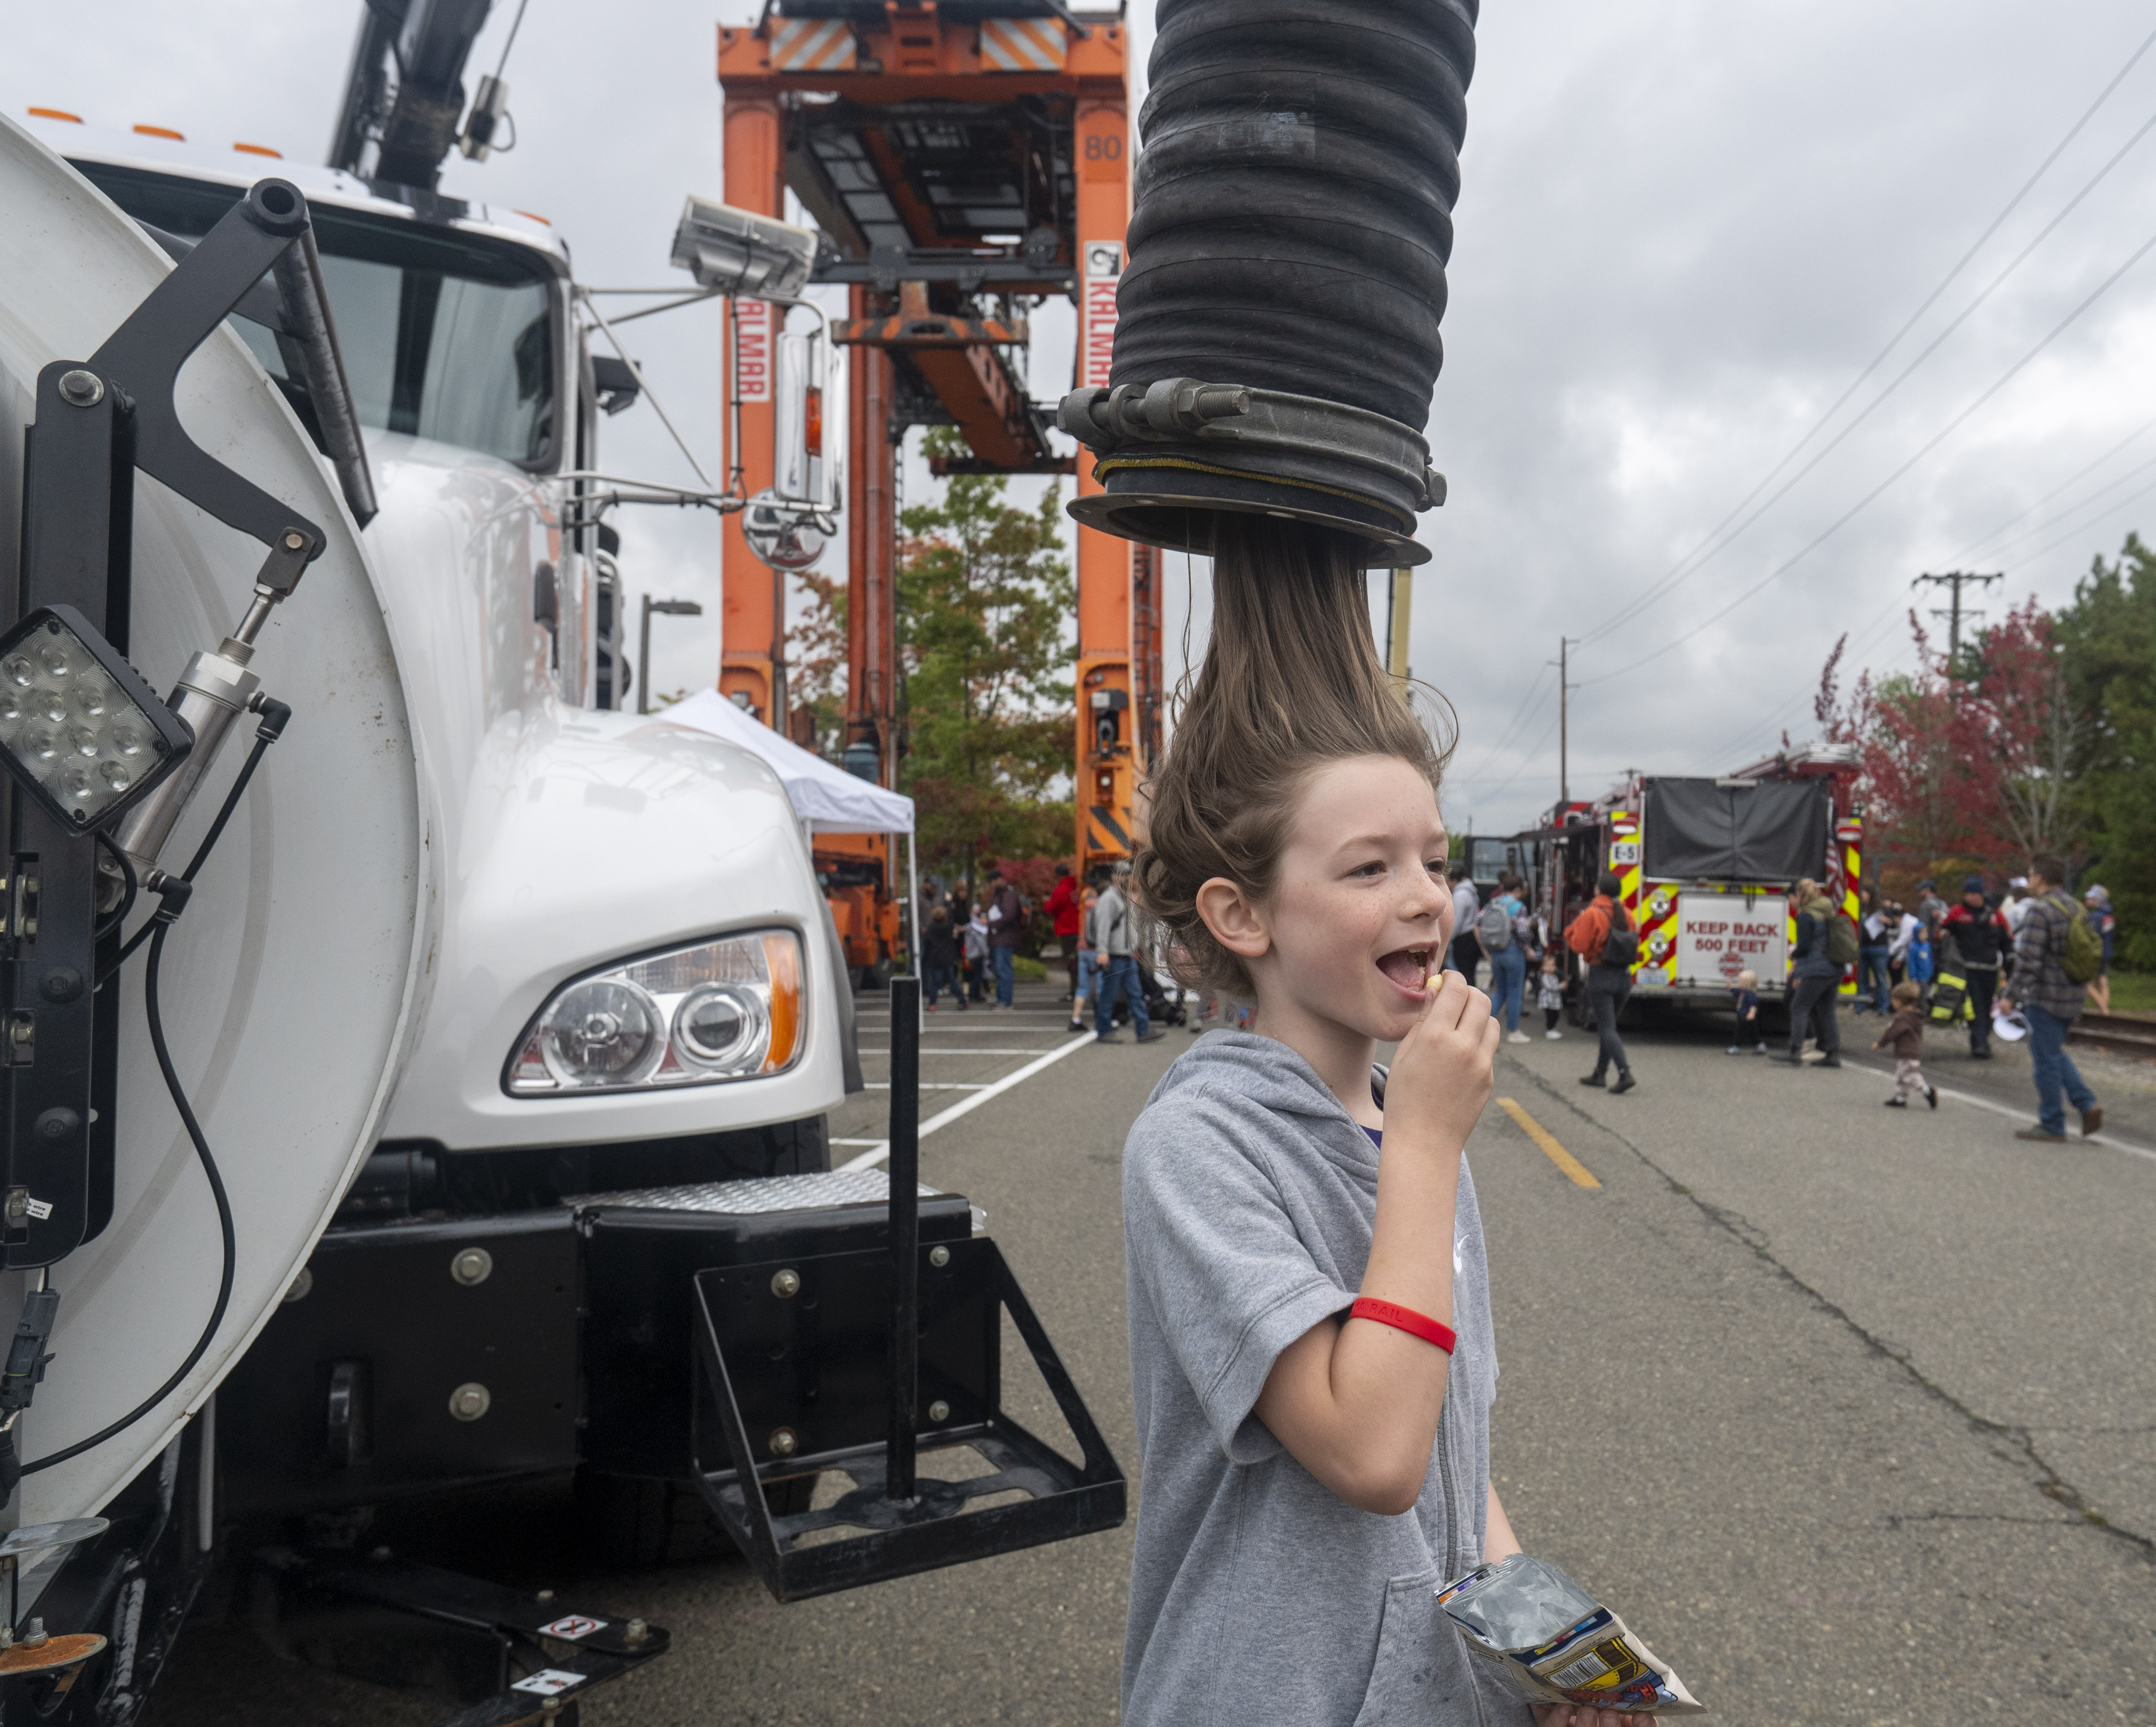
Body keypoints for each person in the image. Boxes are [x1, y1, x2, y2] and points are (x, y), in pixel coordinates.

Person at [1117, 523, 1624, 1727]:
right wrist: (1429, 1155)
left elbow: (1447, 1463)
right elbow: (1370, 1452)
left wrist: (1547, 1645)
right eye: (1366, 869)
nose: (1426, 899)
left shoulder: (1400, 1122)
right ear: (1241, 914)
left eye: (1434, 861)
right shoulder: (1197, 1150)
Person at [2004, 855, 2102, 1142]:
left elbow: (2028, 962)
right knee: (2052, 1053)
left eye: (2031, 874)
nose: (2030, 879)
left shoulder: (2040, 911)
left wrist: (2008, 996)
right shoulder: (2075, 907)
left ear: (2040, 879)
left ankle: (2052, 1124)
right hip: (2072, 996)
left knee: (2044, 1061)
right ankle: (2086, 1104)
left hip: (2045, 997)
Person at [1564, 870, 1636, 1093]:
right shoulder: (1628, 914)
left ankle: (1625, 1073)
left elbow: (1579, 945)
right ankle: (1600, 1074)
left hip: (1602, 976)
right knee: (1610, 1027)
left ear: (1598, 890)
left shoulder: (1592, 914)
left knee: (1606, 1028)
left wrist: (1569, 932)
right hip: (1624, 977)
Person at [1775, 876, 1844, 1069]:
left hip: (1816, 969)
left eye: (1791, 897)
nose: (1790, 901)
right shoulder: (1828, 911)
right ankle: (1833, 1053)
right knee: (1827, 1010)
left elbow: (1804, 948)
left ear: (1799, 896)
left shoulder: (1806, 916)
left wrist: (1794, 959)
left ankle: (1795, 1051)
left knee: (1799, 1007)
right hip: (1834, 967)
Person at [1093, 861, 1162, 1044]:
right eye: (1123, 874)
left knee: (1136, 994)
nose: (1127, 878)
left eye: (1129, 874)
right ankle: (1104, 1030)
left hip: (1127, 956)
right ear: (1114, 876)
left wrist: (1136, 948)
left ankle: (1143, 1030)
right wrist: (1102, 952)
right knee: (1109, 995)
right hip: (1115, 956)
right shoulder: (1110, 899)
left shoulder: (1126, 897)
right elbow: (1103, 927)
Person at [1942, 877, 2010, 1058]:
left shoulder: (1996, 915)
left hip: (1989, 969)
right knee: (1976, 1006)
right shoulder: (1958, 912)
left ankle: (1980, 1041)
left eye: (1973, 894)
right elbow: (1943, 932)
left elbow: (2006, 941)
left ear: (1981, 894)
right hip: (1967, 969)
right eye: (1967, 894)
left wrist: (2009, 966)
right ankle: (1981, 1044)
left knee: (1987, 1007)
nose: (1969, 897)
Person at [1477, 870, 1530, 1044]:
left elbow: (1476, 924)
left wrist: (1485, 951)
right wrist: (1528, 949)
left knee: (1500, 991)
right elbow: (1522, 933)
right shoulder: (1519, 907)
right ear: (1518, 889)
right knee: (1515, 992)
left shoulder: (1492, 903)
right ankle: (1513, 1031)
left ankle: (1481, 1027)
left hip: (1495, 953)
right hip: (1513, 952)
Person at [1873, 980, 1937, 1109]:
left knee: (1908, 1076)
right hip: (1913, 1051)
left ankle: (1927, 1090)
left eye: (1894, 1000)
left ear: (1900, 1001)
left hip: (1907, 1051)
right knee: (1902, 1076)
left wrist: (1881, 1043)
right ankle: (1900, 1098)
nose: (1893, 1002)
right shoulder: (1915, 1016)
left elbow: (1892, 1032)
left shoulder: (1902, 1018)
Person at [982, 866, 1023, 1010]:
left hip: (1004, 938)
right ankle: (1002, 999)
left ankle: (1005, 1001)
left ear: (999, 880)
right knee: (998, 970)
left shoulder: (1008, 894)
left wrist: (991, 923)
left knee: (1003, 969)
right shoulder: (999, 894)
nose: (991, 885)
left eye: (992, 881)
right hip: (998, 938)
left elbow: (1009, 916)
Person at [1046, 863, 1084, 1006]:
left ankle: (1075, 992)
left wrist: (1046, 903)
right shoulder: (1076, 888)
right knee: (1078, 962)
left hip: (1068, 931)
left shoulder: (1061, 890)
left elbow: (1052, 908)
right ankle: (1078, 990)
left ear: (1058, 875)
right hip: (1079, 929)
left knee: (1072, 963)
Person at [1856, 890, 1893, 1015]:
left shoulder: (1881, 909)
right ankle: (1860, 1006)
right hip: (1862, 947)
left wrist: (1886, 921)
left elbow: (1892, 923)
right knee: (1861, 979)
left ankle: (1883, 1008)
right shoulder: (1856, 907)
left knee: (1881, 979)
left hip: (1879, 948)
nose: (1863, 896)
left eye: (1866, 893)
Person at [1445, 862, 1480, 986]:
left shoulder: (1460, 895)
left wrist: (1447, 940)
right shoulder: (1470, 892)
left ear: (1455, 881)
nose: (1447, 885)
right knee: (1469, 973)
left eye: (1448, 881)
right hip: (1471, 937)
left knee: (1465, 975)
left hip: (1464, 940)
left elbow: (1456, 922)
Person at [922, 904, 961, 1012]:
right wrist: (950, 906)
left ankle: (932, 1004)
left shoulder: (931, 928)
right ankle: (962, 1000)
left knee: (935, 982)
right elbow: (952, 919)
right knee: (952, 981)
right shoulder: (948, 928)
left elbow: (926, 943)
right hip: (947, 957)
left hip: (935, 959)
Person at [2084, 883, 2116, 1013]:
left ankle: (2104, 1010)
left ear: (2098, 900)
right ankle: (2104, 1012)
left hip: (2096, 953)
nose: (2088, 900)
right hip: (2107, 951)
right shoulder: (2108, 915)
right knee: (2102, 981)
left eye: (2091, 898)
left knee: (2085, 983)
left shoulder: (2096, 917)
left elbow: (2092, 936)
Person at [1727, 968, 1763, 1055]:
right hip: (1742, 1017)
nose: (1739, 982)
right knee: (1752, 1033)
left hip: (1747, 1017)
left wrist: (1752, 1013)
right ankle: (1760, 1046)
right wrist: (1731, 987)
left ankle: (1736, 1047)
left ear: (1747, 984)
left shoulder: (1750, 995)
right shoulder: (1742, 992)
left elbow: (1754, 1005)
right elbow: (1736, 993)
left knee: (1740, 1033)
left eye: (1741, 981)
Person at [1536, 949, 1565, 1040]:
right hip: (1548, 1001)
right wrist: (1561, 986)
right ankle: (1549, 1030)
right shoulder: (1545, 977)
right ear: (1543, 967)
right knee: (1551, 1016)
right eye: (1547, 966)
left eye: (1552, 965)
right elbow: (1550, 987)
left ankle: (1553, 1029)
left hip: (1554, 1000)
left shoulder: (1555, 977)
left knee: (1556, 1015)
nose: (1550, 968)